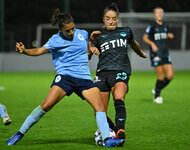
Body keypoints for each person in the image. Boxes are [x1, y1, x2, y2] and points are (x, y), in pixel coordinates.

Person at [6, 8, 125, 147]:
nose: (71, 32)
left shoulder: (83, 34)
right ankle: (19, 134)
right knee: (46, 105)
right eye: (68, 30)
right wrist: (24, 51)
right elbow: (38, 50)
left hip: (84, 79)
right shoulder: (55, 40)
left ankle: (107, 140)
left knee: (99, 107)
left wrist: (91, 44)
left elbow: (86, 55)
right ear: (60, 29)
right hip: (65, 77)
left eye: (72, 28)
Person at [89, 3, 146, 140]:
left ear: (117, 19)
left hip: (121, 71)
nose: (111, 21)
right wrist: (91, 48)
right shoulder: (98, 36)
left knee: (118, 97)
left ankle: (120, 128)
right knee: (99, 110)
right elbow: (88, 55)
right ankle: (114, 130)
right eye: (108, 18)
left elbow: (134, 43)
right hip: (102, 73)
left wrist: (140, 53)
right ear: (103, 19)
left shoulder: (126, 31)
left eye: (114, 18)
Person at [143, 7, 174, 104]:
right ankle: (157, 97)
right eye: (157, 12)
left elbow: (165, 36)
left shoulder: (165, 25)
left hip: (165, 53)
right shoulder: (151, 26)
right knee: (160, 76)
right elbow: (145, 38)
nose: (159, 14)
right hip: (156, 54)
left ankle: (157, 89)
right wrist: (152, 44)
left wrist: (169, 36)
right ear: (154, 15)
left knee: (170, 76)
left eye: (161, 12)